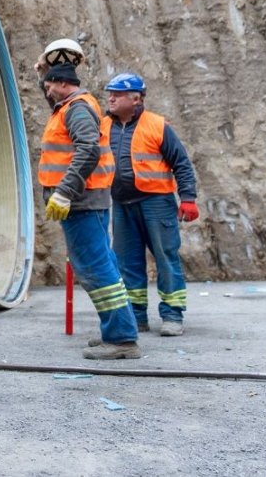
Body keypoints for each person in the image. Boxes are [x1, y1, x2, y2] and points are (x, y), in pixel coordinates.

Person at [34, 41, 141, 360]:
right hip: (86, 201)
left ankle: (121, 338)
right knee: (102, 264)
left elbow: (88, 151)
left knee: (95, 268)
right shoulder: (69, 105)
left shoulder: (78, 108)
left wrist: (65, 192)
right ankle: (118, 331)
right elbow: (52, 94)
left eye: (50, 84)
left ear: (64, 84)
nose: (47, 90)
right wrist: (43, 71)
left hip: (81, 201)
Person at [102, 72, 199, 337]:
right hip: (122, 204)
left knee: (166, 258)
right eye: (110, 93)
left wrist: (188, 198)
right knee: (126, 263)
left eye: (118, 94)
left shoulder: (157, 125)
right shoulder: (103, 127)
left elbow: (181, 163)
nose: (111, 98)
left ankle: (172, 315)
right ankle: (136, 316)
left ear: (136, 98)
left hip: (157, 203)